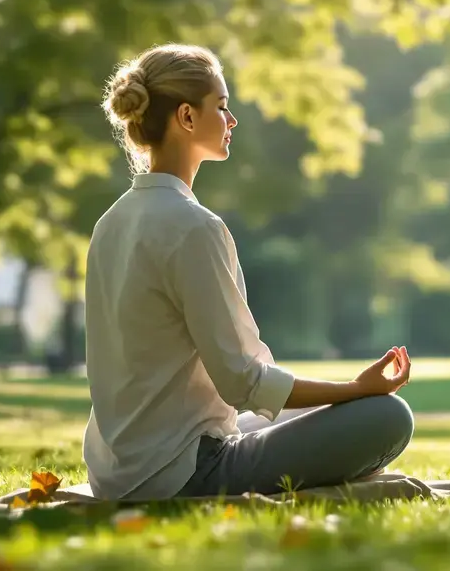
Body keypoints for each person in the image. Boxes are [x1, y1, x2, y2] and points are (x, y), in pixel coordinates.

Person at [82, 43, 415, 501]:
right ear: (186, 117)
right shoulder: (194, 227)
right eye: (221, 106)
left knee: (333, 411)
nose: (232, 119)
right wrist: (356, 388)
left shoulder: (110, 223)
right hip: (181, 473)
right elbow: (244, 382)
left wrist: (347, 394)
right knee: (388, 417)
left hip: (117, 469)